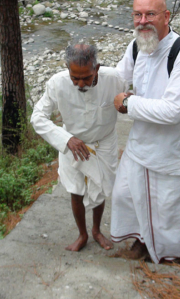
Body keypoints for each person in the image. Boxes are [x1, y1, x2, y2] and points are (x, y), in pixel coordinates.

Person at [111, 0, 180, 264]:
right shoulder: (137, 46)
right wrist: (84, 74)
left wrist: (129, 104)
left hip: (174, 143)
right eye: (137, 15)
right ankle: (142, 240)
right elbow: (118, 78)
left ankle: (168, 256)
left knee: (168, 206)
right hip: (143, 140)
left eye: (150, 14)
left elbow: (173, 111)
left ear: (167, 16)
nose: (143, 21)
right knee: (127, 194)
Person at [31, 43, 128, 252]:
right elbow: (37, 117)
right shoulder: (57, 83)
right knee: (75, 189)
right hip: (72, 144)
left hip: (103, 143)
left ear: (97, 68)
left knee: (100, 188)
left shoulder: (115, 79)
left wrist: (127, 103)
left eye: (86, 77)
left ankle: (96, 230)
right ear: (67, 69)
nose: (80, 83)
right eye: (75, 78)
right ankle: (82, 234)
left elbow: (133, 97)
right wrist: (65, 139)